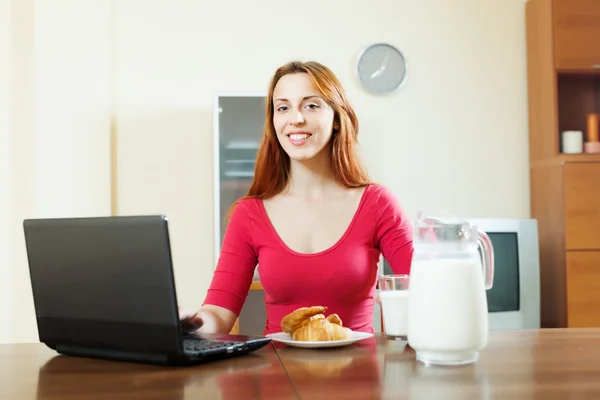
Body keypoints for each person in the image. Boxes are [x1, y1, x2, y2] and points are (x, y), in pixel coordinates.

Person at [180, 60, 413, 335]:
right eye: (283, 107)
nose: (296, 118)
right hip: (276, 372)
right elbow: (218, 313)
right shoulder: (249, 213)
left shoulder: (377, 202)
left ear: (337, 119)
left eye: (311, 105)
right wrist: (190, 324)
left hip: (360, 374)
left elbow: (426, 290)